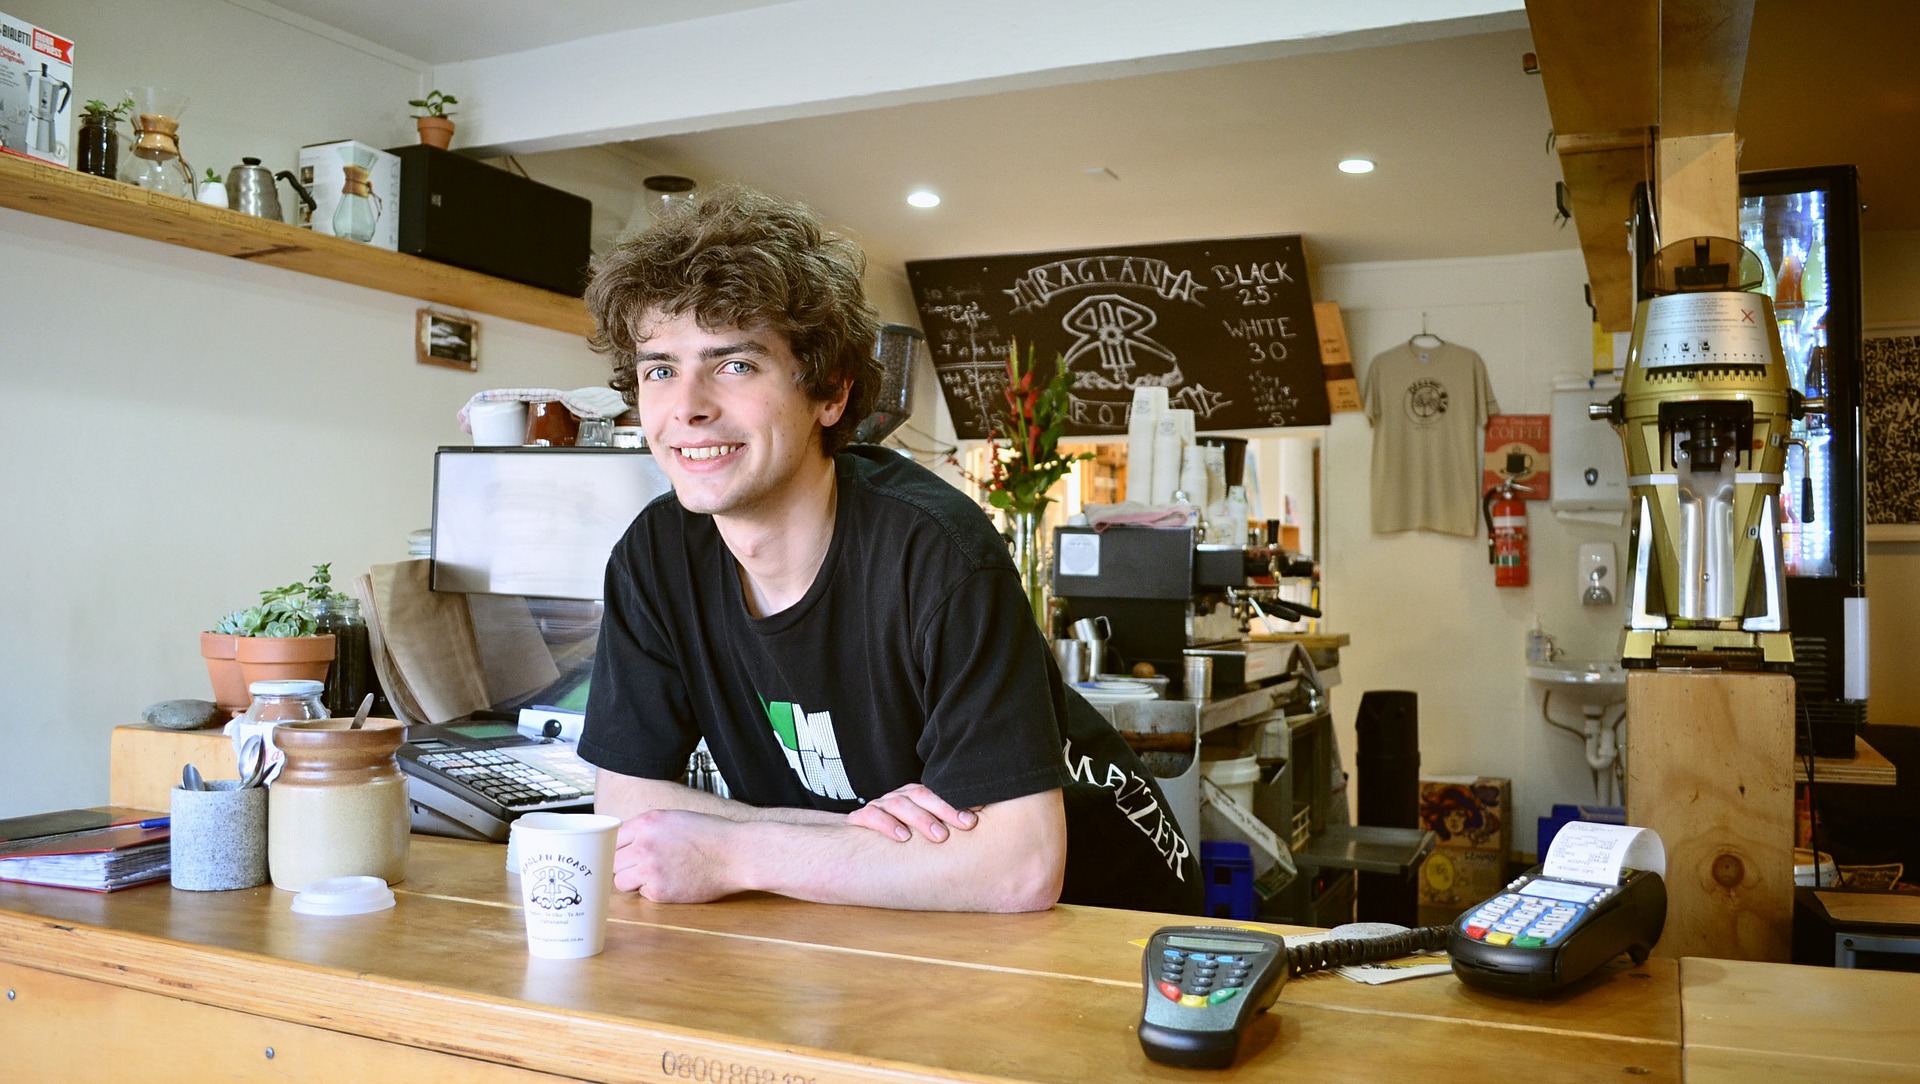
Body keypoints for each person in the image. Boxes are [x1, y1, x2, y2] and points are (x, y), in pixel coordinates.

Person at [578, 185, 1201, 915]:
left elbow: (1020, 868)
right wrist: (846, 842)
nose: (687, 406)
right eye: (660, 369)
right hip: (893, 917)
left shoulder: (936, 551)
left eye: (735, 365)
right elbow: (623, 801)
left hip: (1103, 924)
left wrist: (734, 849)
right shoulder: (656, 554)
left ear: (831, 394)